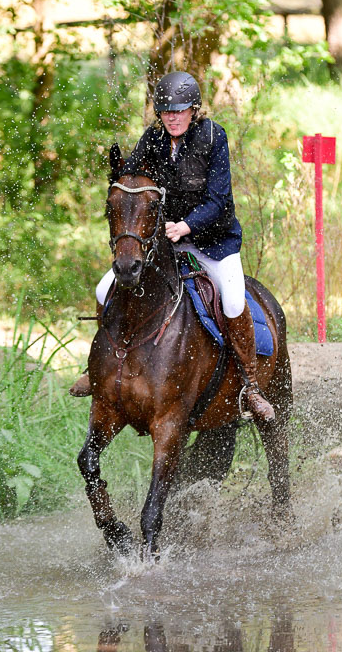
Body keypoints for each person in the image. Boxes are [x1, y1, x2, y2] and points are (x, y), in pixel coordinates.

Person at [71, 71, 275, 422]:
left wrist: (186, 225)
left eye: (180, 111)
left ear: (194, 110)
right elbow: (131, 180)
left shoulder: (213, 137)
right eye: (166, 111)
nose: (173, 117)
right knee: (104, 288)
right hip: (164, 246)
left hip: (213, 244)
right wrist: (118, 177)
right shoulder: (152, 138)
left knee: (231, 299)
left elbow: (220, 199)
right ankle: (98, 369)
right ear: (159, 114)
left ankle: (251, 386)